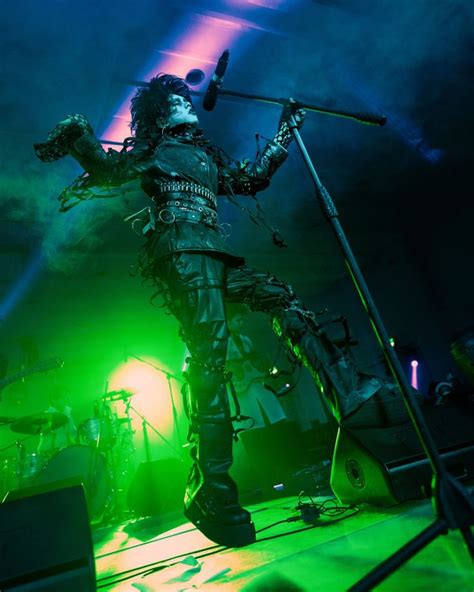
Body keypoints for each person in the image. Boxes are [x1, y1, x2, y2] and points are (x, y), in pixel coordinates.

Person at [34, 74, 393, 547]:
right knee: (210, 360)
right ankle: (212, 487)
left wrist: (285, 132)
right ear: (161, 113)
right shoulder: (154, 148)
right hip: (182, 253)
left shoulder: (203, 155)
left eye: (187, 97)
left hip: (211, 257)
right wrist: (80, 135)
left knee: (278, 297)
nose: (189, 103)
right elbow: (107, 171)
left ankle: (347, 390)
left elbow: (250, 179)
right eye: (179, 100)